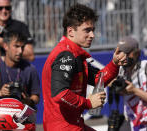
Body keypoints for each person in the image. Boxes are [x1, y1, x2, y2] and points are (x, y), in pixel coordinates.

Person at [42, 3, 127, 131]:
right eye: (87, 30)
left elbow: (99, 79)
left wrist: (114, 64)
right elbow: (60, 94)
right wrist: (88, 103)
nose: (92, 35)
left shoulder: (74, 55)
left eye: (93, 30)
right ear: (70, 31)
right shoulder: (66, 55)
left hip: (73, 124)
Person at [0, 30, 40, 129]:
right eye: (16, 46)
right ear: (6, 46)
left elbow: (36, 97)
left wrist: (27, 100)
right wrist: (0, 93)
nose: (20, 51)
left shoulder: (30, 69)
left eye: (22, 47)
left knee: (30, 115)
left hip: (21, 115)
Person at [109, 36, 147, 131]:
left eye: (127, 53)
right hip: (132, 121)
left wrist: (135, 91)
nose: (122, 56)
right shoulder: (121, 70)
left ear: (137, 53)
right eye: (119, 52)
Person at [0, 0, 35, 67]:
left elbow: (30, 55)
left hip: (16, 72)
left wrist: (2, 43)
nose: (4, 11)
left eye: (7, 8)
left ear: (11, 9)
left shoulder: (20, 27)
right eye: (0, 8)